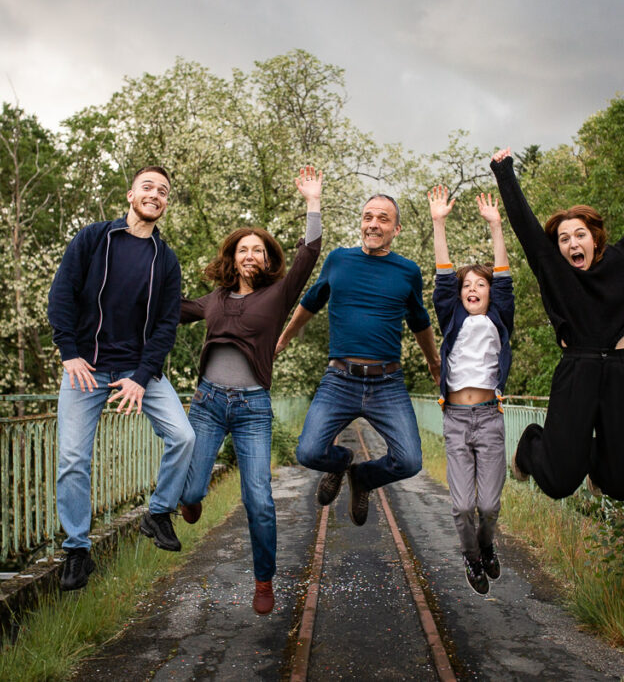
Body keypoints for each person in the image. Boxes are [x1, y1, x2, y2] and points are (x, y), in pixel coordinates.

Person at [175, 166, 323, 615]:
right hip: (207, 404)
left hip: (252, 407)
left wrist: (312, 202)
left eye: (259, 250)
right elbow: (173, 309)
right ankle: (190, 498)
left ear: (267, 258)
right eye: (244, 249)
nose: (251, 255)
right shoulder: (216, 298)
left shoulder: (278, 294)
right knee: (193, 490)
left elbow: (308, 255)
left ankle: (263, 580)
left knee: (257, 497)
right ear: (232, 257)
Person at [489, 147, 624, 501]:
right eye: (563, 239)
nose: (572, 243)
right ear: (557, 248)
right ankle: (531, 444)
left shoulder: (621, 262)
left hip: (619, 372)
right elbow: (525, 226)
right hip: (578, 370)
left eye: (580, 235)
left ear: (594, 239)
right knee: (558, 483)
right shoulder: (554, 271)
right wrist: (504, 170)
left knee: (621, 484)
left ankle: (597, 462)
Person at [47, 166, 196, 591]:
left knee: (183, 437)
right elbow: (62, 294)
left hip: (138, 371)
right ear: (131, 194)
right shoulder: (94, 238)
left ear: (165, 204)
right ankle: (77, 550)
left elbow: (167, 324)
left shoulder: (165, 260)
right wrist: (69, 353)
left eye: (163, 191)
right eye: (147, 187)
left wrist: (142, 376)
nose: (155, 195)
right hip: (87, 369)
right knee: (73, 459)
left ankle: (159, 513)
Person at [276, 193, 441, 527]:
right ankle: (340, 463)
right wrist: (284, 337)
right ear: (361, 222)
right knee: (308, 452)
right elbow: (311, 301)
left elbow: (420, 322)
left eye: (382, 219)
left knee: (409, 461)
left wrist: (434, 362)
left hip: (387, 384)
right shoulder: (338, 260)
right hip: (340, 380)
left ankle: (363, 478)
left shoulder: (408, 271)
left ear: (396, 228)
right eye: (368, 217)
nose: (373, 224)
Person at [428, 185, 514, 595]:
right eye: (468, 286)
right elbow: (444, 278)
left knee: (490, 507)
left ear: (490, 293)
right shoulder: (452, 317)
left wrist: (497, 228)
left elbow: (505, 277)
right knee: (463, 507)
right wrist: (438, 222)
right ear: (461, 296)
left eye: (481, 284)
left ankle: (486, 547)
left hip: (490, 418)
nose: (473, 288)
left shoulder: (499, 315)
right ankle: (472, 557)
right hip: (457, 420)